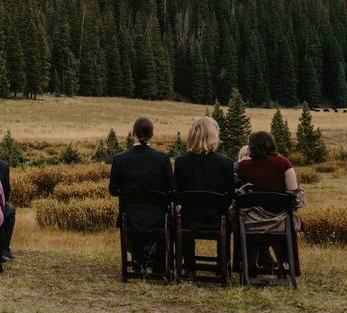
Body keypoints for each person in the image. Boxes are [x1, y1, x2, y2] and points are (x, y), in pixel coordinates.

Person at [108, 117, 173, 273]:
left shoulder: (120, 159)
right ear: (151, 135)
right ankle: (157, 263)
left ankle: (137, 258)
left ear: (133, 133)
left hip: (130, 217)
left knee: (133, 218)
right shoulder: (162, 159)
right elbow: (171, 189)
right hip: (157, 218)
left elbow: (112, 190)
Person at [173, 116, 235, 271]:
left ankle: (189, 265)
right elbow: (230, 195)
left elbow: (176, 194)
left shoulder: (181, 162)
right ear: (214, 135)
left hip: (188, 219)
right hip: (217, 219)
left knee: (179, 216)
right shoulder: (225, 163)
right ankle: (223, 266)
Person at [236, 130, 301, 275]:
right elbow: (294, 194)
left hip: (252, 223)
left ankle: (248, 266)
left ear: (251, 147)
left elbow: (239, 192)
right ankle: (286, 265)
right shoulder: (284, 163)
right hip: (280, 222)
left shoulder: (244, 166)